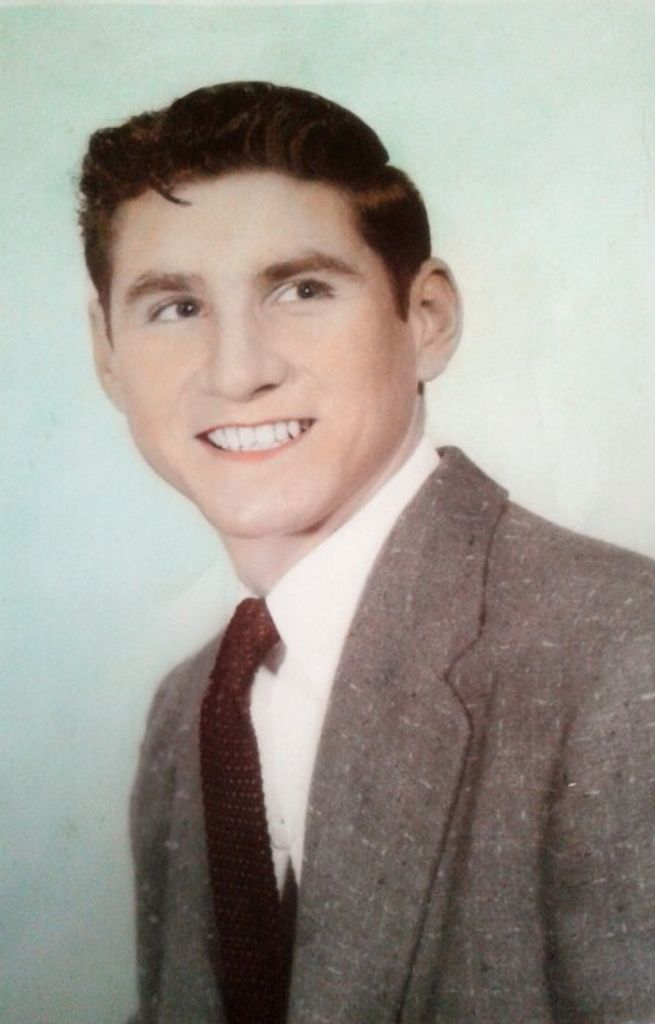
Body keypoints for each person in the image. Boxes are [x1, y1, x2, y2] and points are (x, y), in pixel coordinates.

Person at [79, 82, 655, 1024]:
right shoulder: (190, 712)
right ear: (107, 354)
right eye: (175, 307)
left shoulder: (624, 659)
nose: (237, 371)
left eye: (300, 290)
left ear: (425, 318)